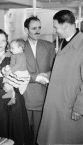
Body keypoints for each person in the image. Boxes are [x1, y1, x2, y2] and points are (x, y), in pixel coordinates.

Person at [37, 10, 83, 145]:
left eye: (56, 27)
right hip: (58, 102)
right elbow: (67, 70)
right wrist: (48, 75)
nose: (55, 30)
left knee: (66, 139)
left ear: (66, 26)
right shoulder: (65, 42)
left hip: (69, 105)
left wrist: (79, 108)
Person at [0, 28, 31, 145]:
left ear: (7, 42)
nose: (0, 43)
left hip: (14, 100)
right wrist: (3, 81)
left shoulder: (15, 55)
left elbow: (23, 75)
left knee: (16, 134)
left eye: (3, 40)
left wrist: (15, 85)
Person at [23, 16, 56, 145]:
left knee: (40, 133)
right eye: (34, 28)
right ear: (26, 30)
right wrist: (36, 77)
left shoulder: (49, 46)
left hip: (44, 96)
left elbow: (55, 68)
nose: (37, 31)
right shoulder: (18, 47)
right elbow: (16, 71)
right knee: (25, 132)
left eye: (39, 28)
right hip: (24, 96)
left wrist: (48, 74)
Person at [0, 38, 30, 105]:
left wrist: (9, 71)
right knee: (9, 81)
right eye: (10, 48)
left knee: (10, 80)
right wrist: (4, 55)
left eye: (12, 48)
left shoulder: (21, 56)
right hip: (13, 69)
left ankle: (13, 97)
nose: (11, 50)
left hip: (19, 72)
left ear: (20, 48)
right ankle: (11, 95)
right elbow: (9, 53)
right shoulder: (14, 53)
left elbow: (18, 66)